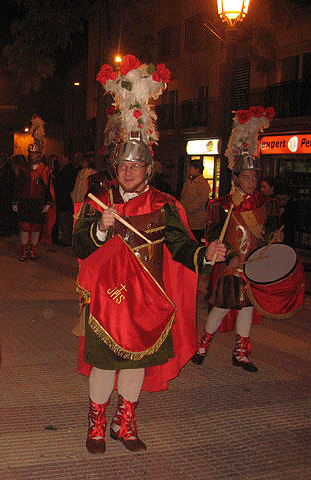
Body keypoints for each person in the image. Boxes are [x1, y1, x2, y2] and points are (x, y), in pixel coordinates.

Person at [75, 56, 226, 455]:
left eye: (136, 165)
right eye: (123, 164)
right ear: (116, 166)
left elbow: (181, 248)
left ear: (148, 169)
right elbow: (79, 246)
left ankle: (125, 423)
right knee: (104, 363)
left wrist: (206, 254)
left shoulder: (164, 204)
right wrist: (102, 227)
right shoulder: (98, 201)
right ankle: (95, 423)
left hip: (147, 300)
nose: (128, 171)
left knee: (136, 364)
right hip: (104, 302)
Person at [192, 153, 282, 372]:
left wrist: (275, 237)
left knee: (247, 309)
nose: (250, 182)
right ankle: (203, 344)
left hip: (255, 266)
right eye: (246, 177)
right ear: (236, 178)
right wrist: (230, 254)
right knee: (222, 307)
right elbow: (215, 234)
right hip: (229, 266)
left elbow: (270, 228)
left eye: (254, 177)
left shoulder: (268, 204)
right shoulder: (221, 205)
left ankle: (240, 352)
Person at [12, 143, 52, 260]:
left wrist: (48, 202)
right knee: (24, 227)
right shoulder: (23, 169)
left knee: (36, 227)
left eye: (35, 153)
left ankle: (34, 249)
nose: (32, 155)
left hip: (38, 202)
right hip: (24, 202)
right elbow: (18, 186)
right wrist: (15, 202)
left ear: (39, 154)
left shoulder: (44, 170)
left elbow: (48, 187)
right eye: (31, 153)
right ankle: (24, 249)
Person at [180, 159, 210, 241]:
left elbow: (202, 200)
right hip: (187, 217)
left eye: (191, 168)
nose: (189, 170)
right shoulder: (189, 182)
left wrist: (189, 208)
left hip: (196, 219)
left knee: (196, 240)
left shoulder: (202, 183)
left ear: (197, 169)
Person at [53, 153, 77, 245]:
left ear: (67, 159)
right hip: (60, 198)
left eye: (61, 158)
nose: (60, 160)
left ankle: (67, 239)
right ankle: (62, 237)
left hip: (65, 198)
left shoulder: (70, 170)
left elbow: (68, 185)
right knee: (61, 220)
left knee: (66, 220)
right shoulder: (60, 169)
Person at [274, 182, 300, 247]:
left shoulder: (293, 207)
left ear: (289, 197)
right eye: (278, 199)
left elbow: (292, 225)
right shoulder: (272, 204)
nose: (281, 202)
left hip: (288, 239)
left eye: (284, 199)